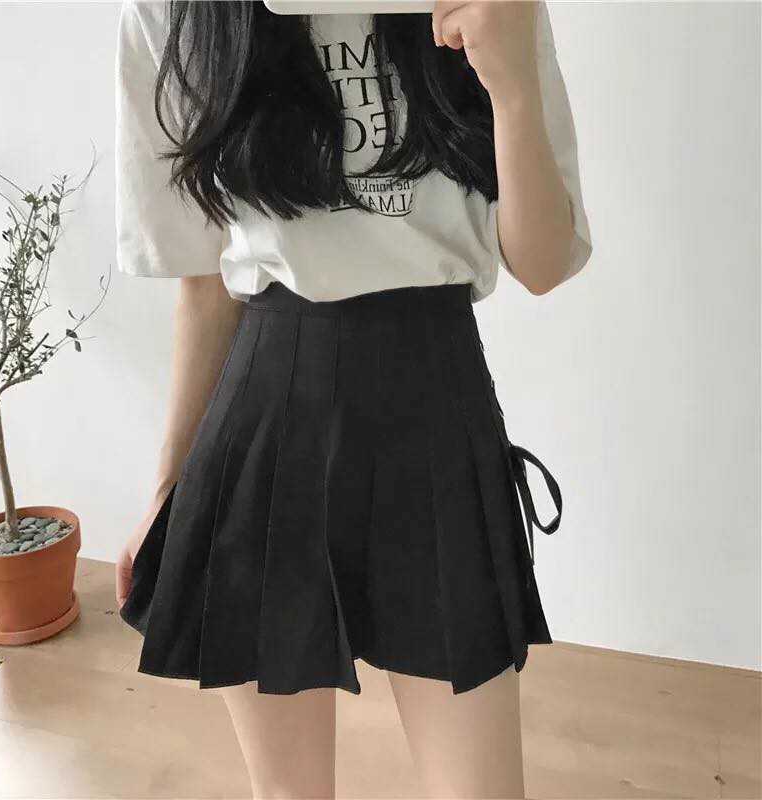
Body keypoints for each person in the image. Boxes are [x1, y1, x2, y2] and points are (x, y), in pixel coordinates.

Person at [113, 1, 592, 797]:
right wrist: (167, 489)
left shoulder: (489, 4)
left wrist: (510, 87)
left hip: (437, 412)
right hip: (267, 415)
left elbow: (542, 263)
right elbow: (204, 285)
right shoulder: (179, 11)